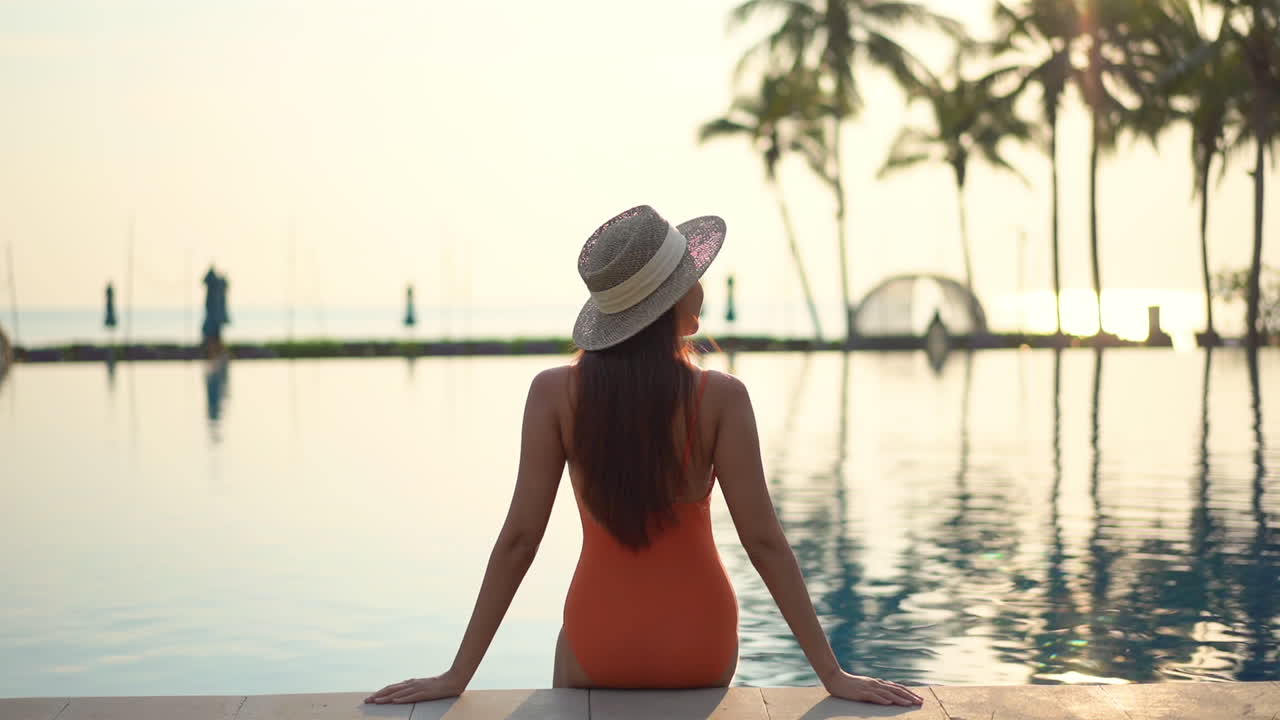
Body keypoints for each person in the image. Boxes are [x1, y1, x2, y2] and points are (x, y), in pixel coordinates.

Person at [365, 205, 923, 708]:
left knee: (570, 648)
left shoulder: (552, 393)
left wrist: (457, 675)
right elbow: (764, 541)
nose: (700, 286)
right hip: (700, 646)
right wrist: (832, 674)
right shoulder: (722, 398)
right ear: (673, 301)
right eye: (692, 278)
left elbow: (519, 541)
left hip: (599, 643)